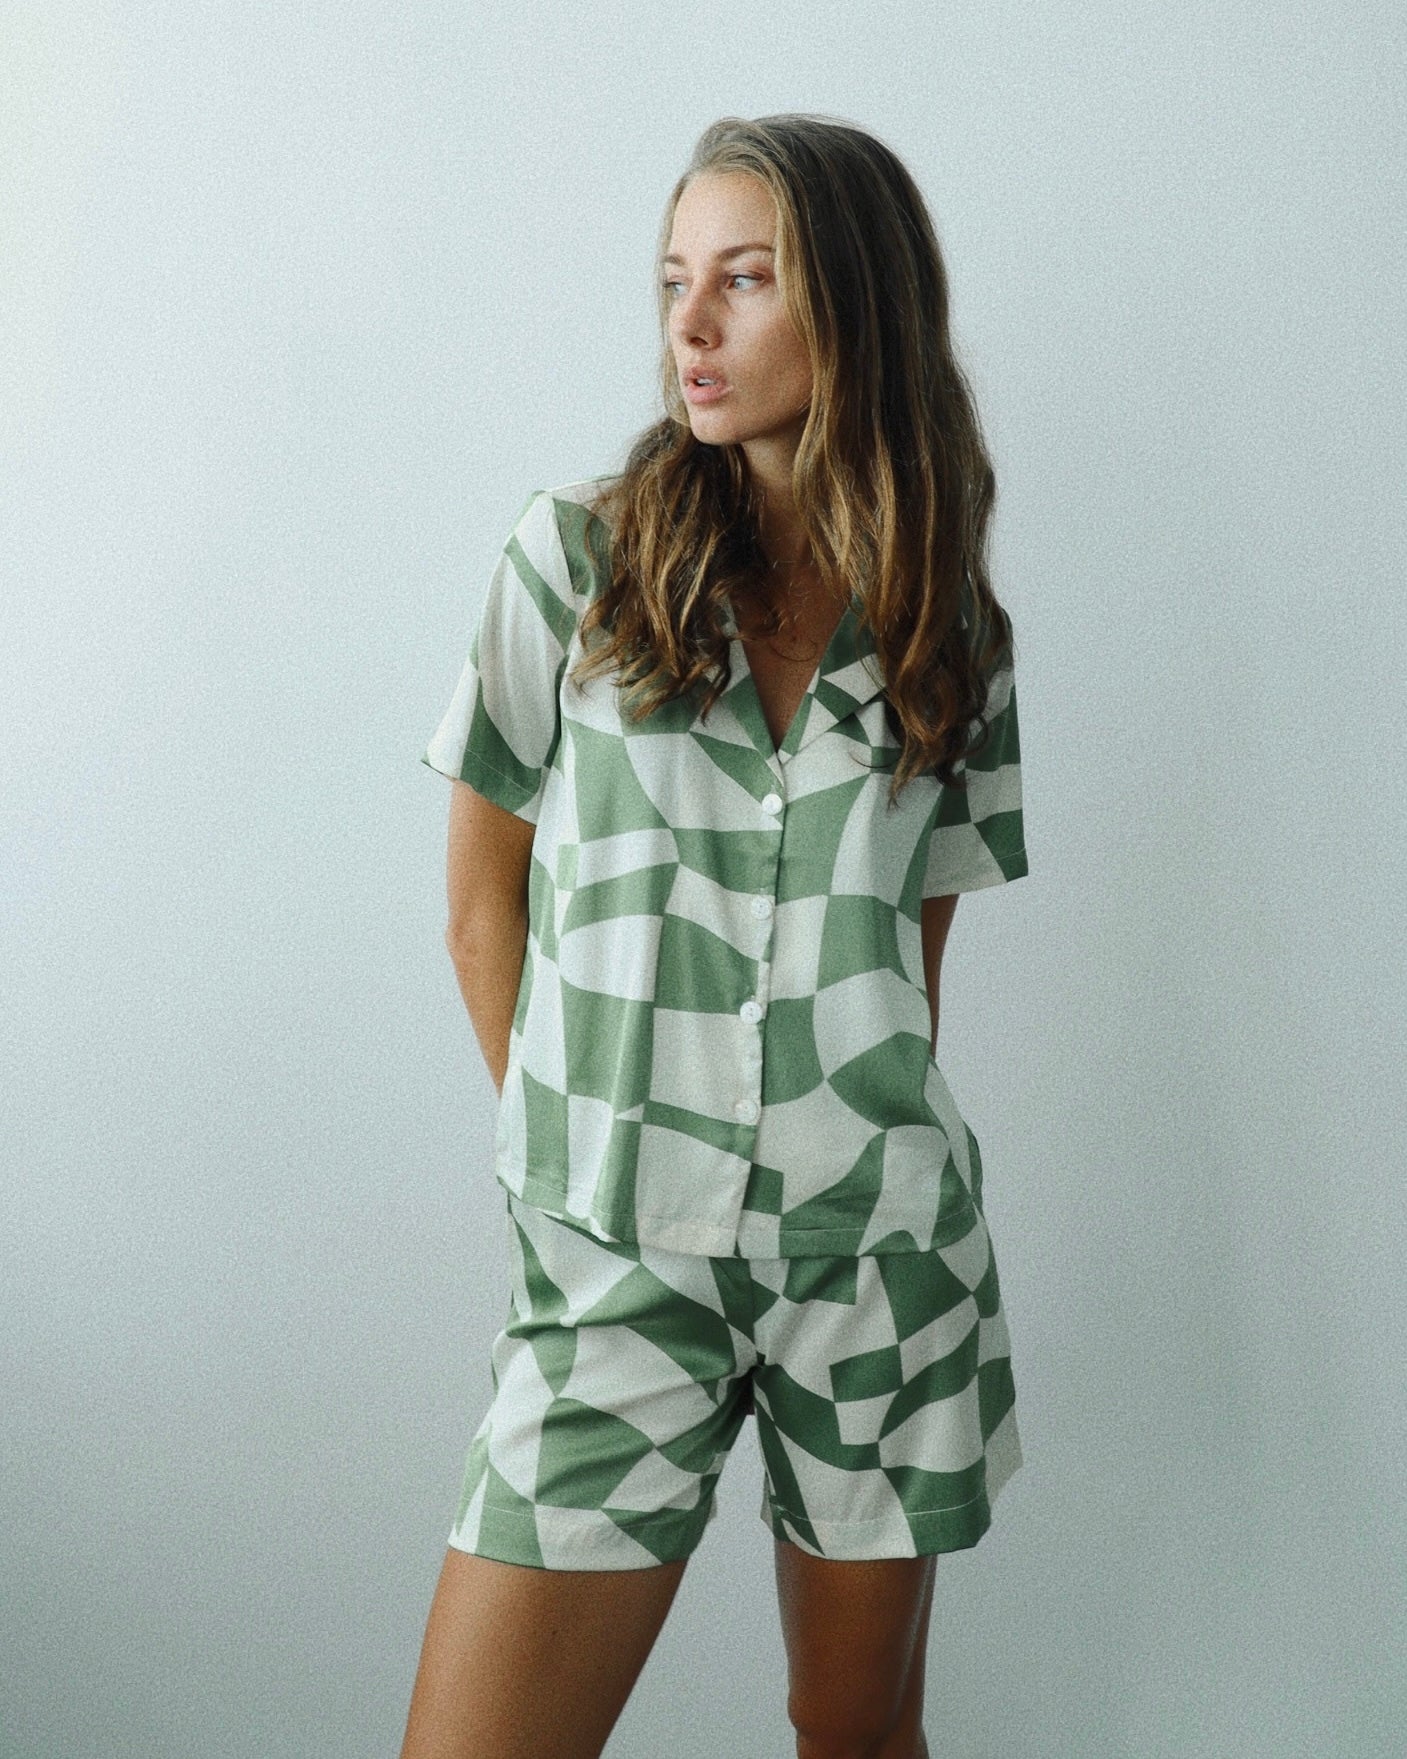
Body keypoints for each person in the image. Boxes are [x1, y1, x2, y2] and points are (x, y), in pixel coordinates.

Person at [399, 112, 1030, 1759]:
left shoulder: (947, 621)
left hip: (875, 1262)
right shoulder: (575, 560)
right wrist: (587, 1160)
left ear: (856, 306)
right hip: (617, 1256)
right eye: (675, 280)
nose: (691, 323)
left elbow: (907, 971)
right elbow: (478, 905)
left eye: (745, 281)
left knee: (855, 1739)